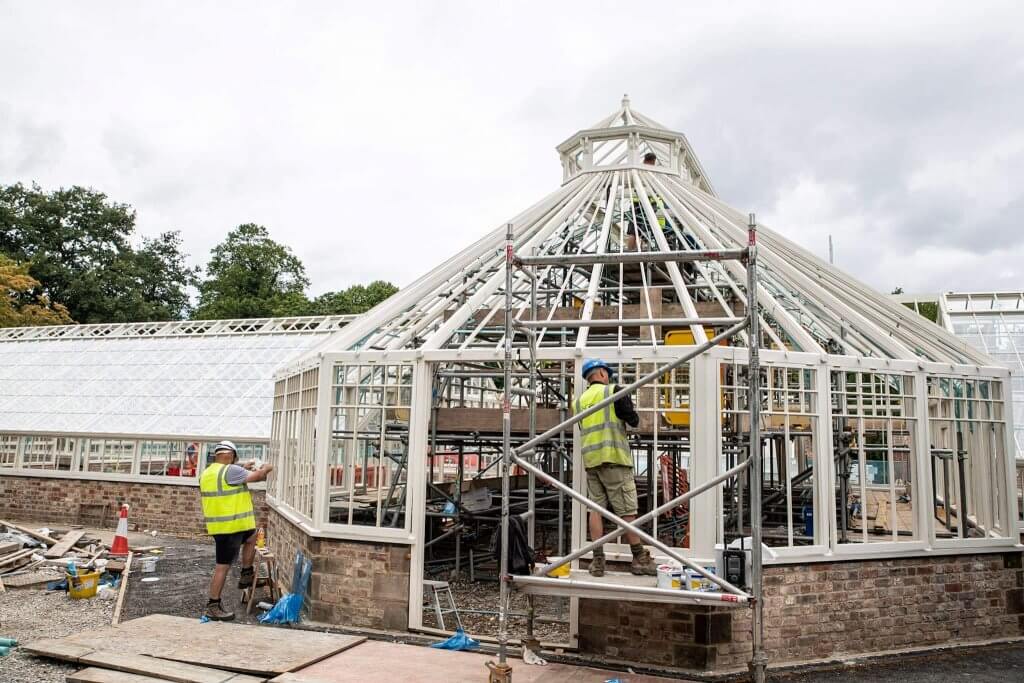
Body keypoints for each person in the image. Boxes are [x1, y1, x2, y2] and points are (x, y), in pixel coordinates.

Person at [574, 359, 657, 577]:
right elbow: (633, 419)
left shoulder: (580, 401)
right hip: (615, 459)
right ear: (602, 373)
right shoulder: (613, 391)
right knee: (627, 511)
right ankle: (639, 558)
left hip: (591, 462)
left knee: (596, 510)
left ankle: (598, 561)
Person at [199, 440, 273, 620]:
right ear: (232, 456)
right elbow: (259, 476)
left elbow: (229, 474)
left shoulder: (208, 473)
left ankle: (246, 573)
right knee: (222, 568)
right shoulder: (232, 471)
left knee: (252, 536)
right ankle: (213, 605)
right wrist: (268, 467)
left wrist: (242, 467)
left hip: (225, 527)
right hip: (230, 528)